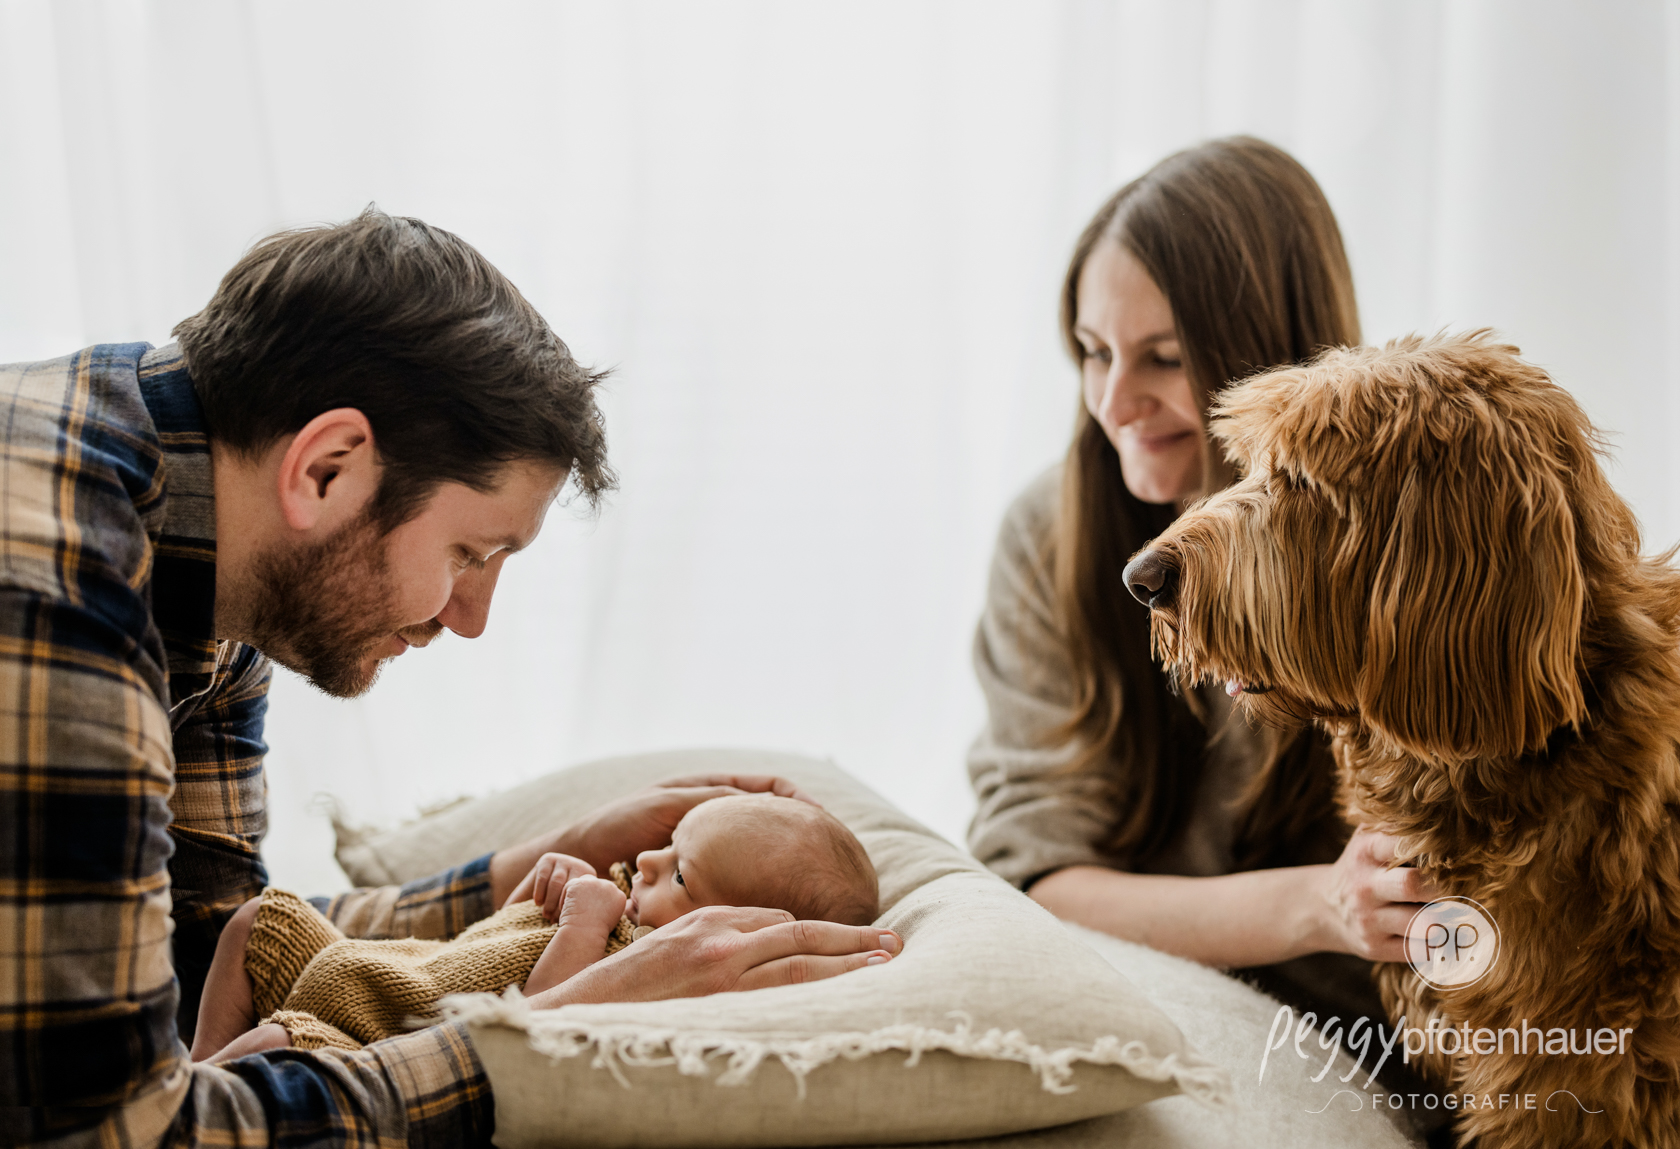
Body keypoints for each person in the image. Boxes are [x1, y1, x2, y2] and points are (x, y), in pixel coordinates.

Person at [1, 208, 899, 1147]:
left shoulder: (209, 562)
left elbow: (200, 933)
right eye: (470, 552)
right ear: (329, 468)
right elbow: (109, 1130)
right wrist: (547, 1031)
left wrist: (523, 869)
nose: (469, 618)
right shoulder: (61, 604)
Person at [965, 137, 1443, 1125]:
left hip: (1413, 1056)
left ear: (1273, 350)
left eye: (1165, 359)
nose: (1113, 403)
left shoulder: (1406, 539)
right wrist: (1322, 905)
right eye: (1093, 353)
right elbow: (1037, 884)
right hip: (1165, 1011)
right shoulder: (1050, 536)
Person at [190, 793, 880, 1060]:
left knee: (274, 1047)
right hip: (383, 965)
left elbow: (536, 1009)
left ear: (721, 923)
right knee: (258, 920)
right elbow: (490, 943)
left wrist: (583, 920)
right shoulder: (619, 895)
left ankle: (188, 1113)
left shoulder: (649, 960)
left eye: (679, 874)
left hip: (375, 1027)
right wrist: (539, 886)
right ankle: (192, 1072)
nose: (646, 858)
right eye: (668, 841)